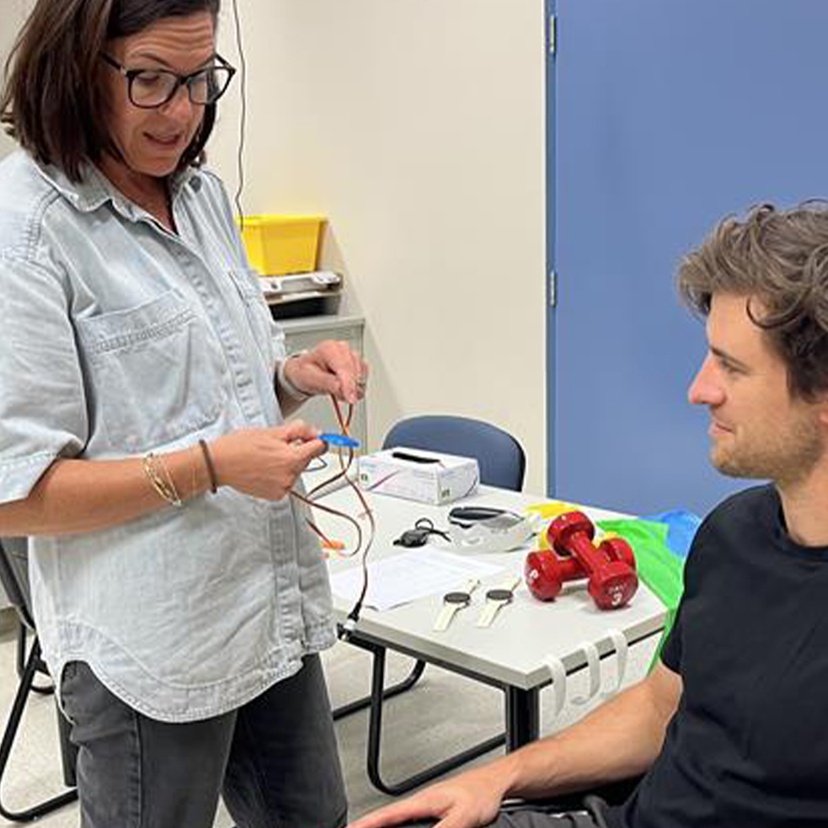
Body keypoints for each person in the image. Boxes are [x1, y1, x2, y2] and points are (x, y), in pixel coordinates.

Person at [0, 1, 366, 826]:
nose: (182, 112)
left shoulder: (199, 196)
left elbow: (211, 394)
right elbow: (18, 496)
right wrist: (210, 467)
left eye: (201, 80)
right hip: (151, 652)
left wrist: (291, 375)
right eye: (151, 81)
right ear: (75, 69)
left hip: (264, 607)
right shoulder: (26, 230)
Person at [351, 201, 828, 828]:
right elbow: (661, 709)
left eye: (732, 368)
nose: (699, 389)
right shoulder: (732, 534)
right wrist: (497, 777)